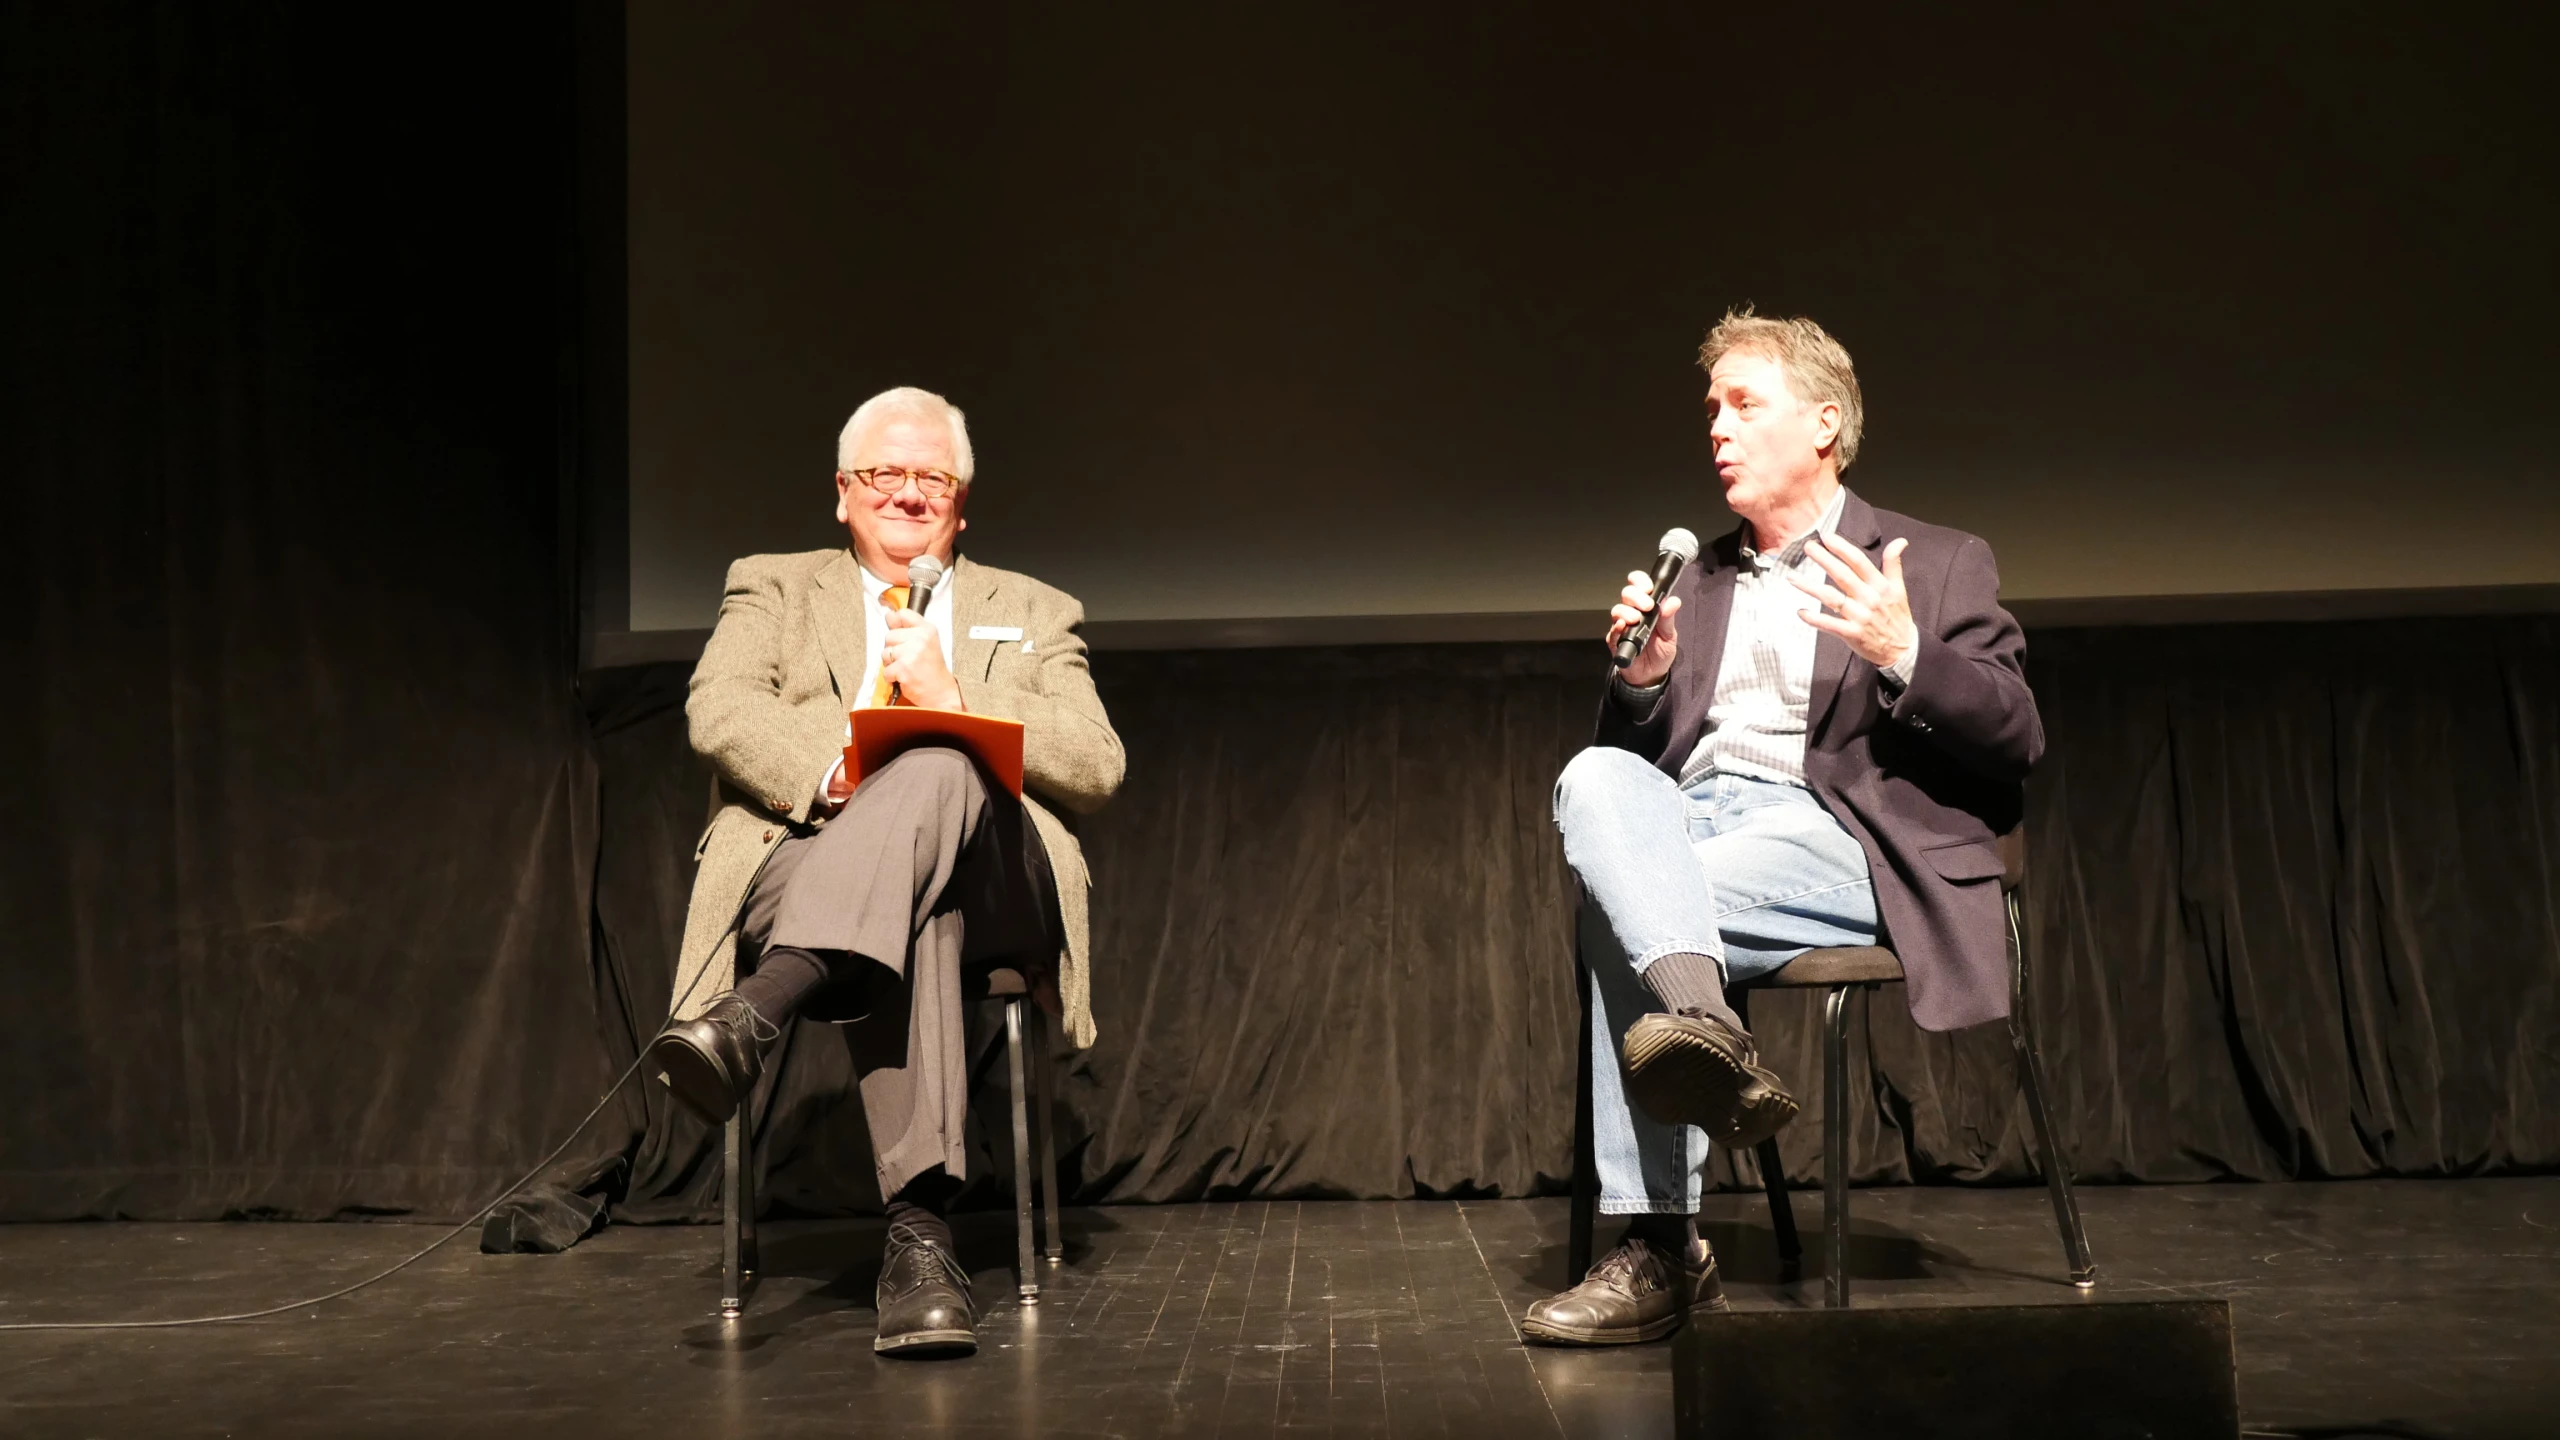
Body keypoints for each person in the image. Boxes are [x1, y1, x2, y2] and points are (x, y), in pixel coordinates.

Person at [1520, 310, 2042, 1345]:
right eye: (1710, 408)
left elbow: (2016, 732)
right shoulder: (1700, 578)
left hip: (1845, 840)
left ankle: (1661, 1247)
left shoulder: (1932, 561)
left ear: (1823, 422)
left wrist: (1904, 652)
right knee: (1593, 774)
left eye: (1742, 404)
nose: (1715, 427)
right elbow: (1636, 772)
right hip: (1696, 827)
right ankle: (1705, 1030)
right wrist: (1645, 682)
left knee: (1624, 913)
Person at [647, 386, 1125, 1358]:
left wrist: (956, 705)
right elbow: (722, 710)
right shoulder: (773, 586)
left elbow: (1094, 760)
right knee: (915, 905)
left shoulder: (1030, 609)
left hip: (997, 875)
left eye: (931, 477)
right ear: (842, 493)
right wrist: (843, 770)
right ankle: (919, 1243)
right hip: (807, 853)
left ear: (959, 500)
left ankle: (754, 1015)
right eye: (884, 473)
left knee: (946, 760)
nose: (907, 493)